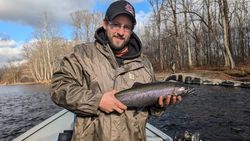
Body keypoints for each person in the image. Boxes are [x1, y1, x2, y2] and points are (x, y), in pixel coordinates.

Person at [50, 0, 181, 140]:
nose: (121, 32)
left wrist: (158, 106)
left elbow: (149, 109)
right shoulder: (82, 55)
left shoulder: (145, 64)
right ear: (105, 24)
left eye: (127, 27)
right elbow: (58, 89)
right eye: (116, 25)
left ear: (131, 30)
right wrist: (97, 101)